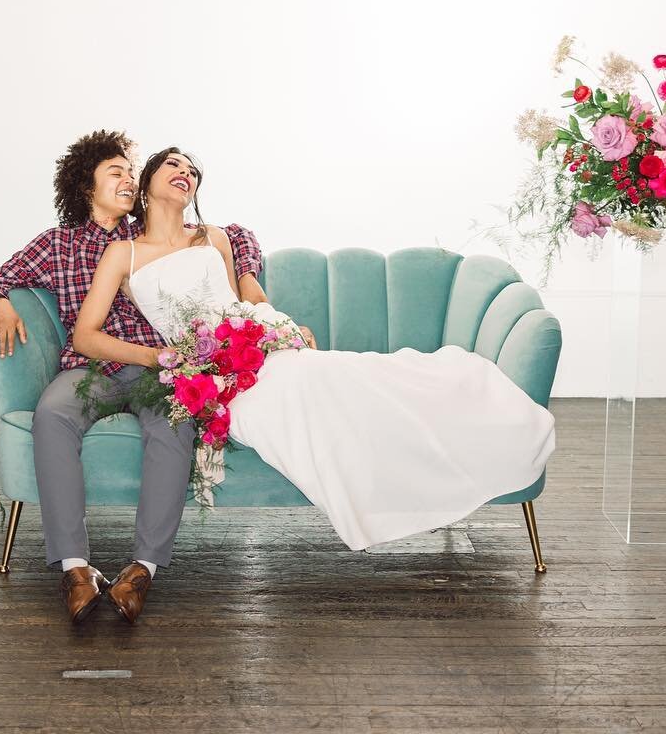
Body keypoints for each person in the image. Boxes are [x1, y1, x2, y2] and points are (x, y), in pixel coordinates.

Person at [73, 147, 556, 554]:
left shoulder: (214, 237)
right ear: (148, 183)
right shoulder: (124, 254)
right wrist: (158, 359)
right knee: (297, 395)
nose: (186, 174)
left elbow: (242, 300)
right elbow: (85, 336)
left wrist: (280, 326)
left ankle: (461, 403)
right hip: (206, 372)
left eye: (193, 172)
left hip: (258, 341)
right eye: (174, 165)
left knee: (328, 377)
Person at [0, 130, 290, 625]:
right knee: (52, 415)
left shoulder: (146, 232)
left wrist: (247, 278)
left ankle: (143, 569)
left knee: (173, 424)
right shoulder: (57, 245)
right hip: (91, 369)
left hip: (159, 372)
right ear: (86, 186)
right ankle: (76, 569)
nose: (127, 180)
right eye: (115, 172)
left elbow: (230, 235)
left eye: (130, 173)